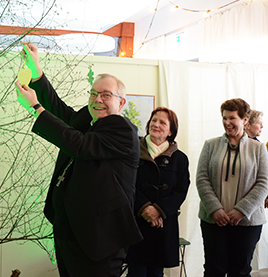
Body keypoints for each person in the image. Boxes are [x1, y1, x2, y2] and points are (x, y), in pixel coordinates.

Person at [15, 42, 143, 277]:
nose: (98, 99)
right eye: (93, 93)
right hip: (70, 232)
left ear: (121, 102)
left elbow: (80, 145)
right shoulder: (90, 124)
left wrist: (35, 107)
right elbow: (60, 113)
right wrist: (37, 72)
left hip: (99, 240)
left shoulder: (122, 130)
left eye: (106, 95)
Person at [196, 98, 268, 277]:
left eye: (232, 118)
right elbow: (202, 179)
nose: (227, 123)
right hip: (214, 220)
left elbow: (264, 182)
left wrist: (241, 210)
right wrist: (215, 209)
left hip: (248, 222)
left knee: (240, 271)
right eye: (224, 118)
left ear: (245, 120)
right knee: (214, 270)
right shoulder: (210, 145)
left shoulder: (258, 149)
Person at [125, 107, 190, 277]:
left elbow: (181, 190)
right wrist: (145, 208)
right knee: (136, 271)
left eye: (162, 122)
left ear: (171, 131)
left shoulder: (180, 159)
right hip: (137, 221)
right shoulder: (132, 150)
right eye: (154, 120)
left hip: (163, 224)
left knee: (157, 272)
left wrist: (159, 210)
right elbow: (126, 183)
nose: (156, 124)